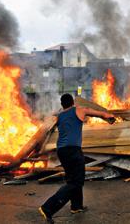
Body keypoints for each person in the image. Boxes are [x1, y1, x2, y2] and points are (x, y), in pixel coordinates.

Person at [39, 94, 115, 223]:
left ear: (62, 104)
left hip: (62, 151)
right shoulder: (80, 110)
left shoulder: (59, 117)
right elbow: (101, 114)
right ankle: (48, 208)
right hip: (73, 150)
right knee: (76, 182)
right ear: (72, 102)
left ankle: (76, 206)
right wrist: (110, 117)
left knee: (73, 178)